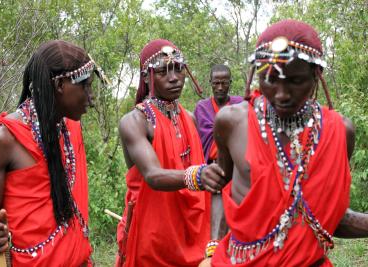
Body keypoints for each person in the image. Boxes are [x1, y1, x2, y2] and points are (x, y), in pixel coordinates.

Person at [206, 19, 368, 266]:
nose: (281, 94)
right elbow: (221, 187)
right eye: (270, 80)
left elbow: (327, 215)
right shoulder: (231, 122)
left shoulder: (339, 131)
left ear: (316, 76)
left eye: (294, 81)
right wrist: (214, 245)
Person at [0, 40, 105, 266]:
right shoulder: (0, 139)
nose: (91, 97)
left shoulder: (71, 128)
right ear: (61, 85)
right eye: (85, 86)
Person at [116, 39, 226, 267]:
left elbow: (211, 184)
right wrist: (198, 176)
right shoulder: (135, 121)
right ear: (147, 77)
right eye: (163, 71)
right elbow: (153, 175)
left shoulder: (190, 118)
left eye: (178, 68)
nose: (174, 77)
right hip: (153, 234)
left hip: (193, 232)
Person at [194, 64, 242, 163]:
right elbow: (195, 139)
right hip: (209, 166)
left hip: (236, 165)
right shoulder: (201, 108)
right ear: (210, 83)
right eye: (216, 83)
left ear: (230, 83)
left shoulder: (239, 104)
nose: (220, 87)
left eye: (224, 83)